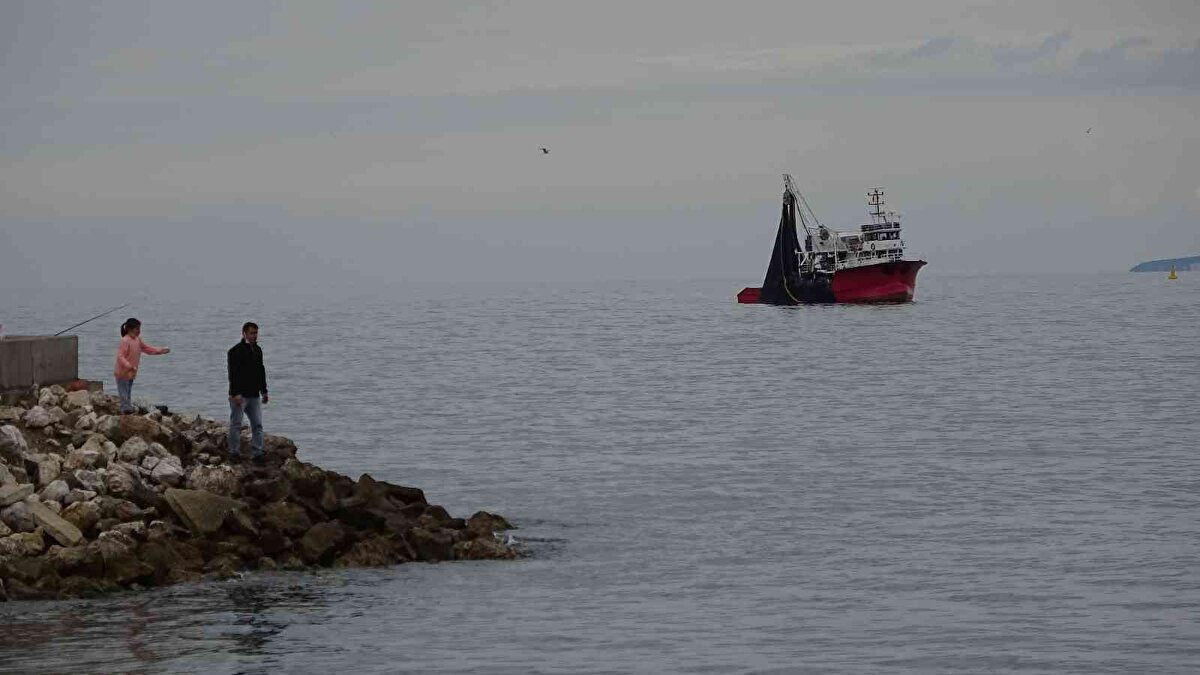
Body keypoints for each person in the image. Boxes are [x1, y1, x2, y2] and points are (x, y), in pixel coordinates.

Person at [227, 321, 269, 464]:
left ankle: (257, 453)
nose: (255, 336)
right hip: (239, 395)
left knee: (257, 425)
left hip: (254, 394)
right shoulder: (235, 351)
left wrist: (264, 391)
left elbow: (260, 371)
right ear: (244, 333)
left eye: (256, 333)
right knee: (236, 424)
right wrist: (235, 393)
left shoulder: (258, 350)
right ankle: (234, 453)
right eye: (252, 333)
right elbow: (233, 373)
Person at [113, 318, 170, 414]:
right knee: (123, 391)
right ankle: (126, 408)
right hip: (122, 371)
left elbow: (147, 349)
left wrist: (160, 350)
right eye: (137, 329)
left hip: (132, 372)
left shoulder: (137, 340)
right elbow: (120, 356)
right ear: (129, 329)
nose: (139, 331)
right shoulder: (125, 340)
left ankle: (127, 407)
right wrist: (128, 365)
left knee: (128, 391)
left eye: (139, 329)